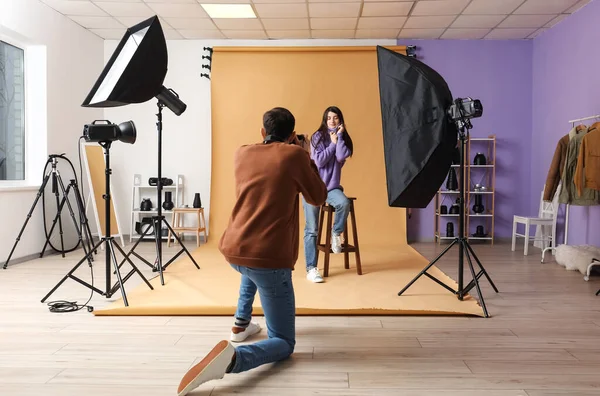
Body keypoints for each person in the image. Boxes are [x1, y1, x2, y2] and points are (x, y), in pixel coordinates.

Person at [176, 107, 327, 396]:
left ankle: (240, 325)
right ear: (293, 135)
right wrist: (306, 155)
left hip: (235, 248)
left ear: (262, 132)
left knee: (252, 270)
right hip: (269, 259)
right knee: (284, 342)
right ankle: (233, 359)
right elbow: (317, 196)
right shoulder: (296, 156)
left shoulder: (241, 153)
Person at [303, 106, 354, 283]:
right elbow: (319, 162)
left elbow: (340, 157)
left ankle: (335, 233)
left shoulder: (343, 139)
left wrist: (339, 137)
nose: (332, 121)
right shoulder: (318, 137)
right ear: (325, 120)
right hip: (312, 187)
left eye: (336, 118)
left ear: (341, 121)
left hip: (331, 188)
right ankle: (311, 268)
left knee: (344, 203)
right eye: (329, 118)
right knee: (312, 230)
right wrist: (331, 143)